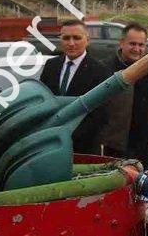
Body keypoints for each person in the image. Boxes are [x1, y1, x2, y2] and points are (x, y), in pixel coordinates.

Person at [39, 19, 112, 155]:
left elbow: (101, 114)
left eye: (77, 38)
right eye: (66, 38)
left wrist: (68, 134)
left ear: (87, 40)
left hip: (84, 147)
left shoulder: (100, 71)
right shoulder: (51, 66)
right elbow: (44, 102)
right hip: (51, 145)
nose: (71, 43)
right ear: (60, 39)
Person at [108, 22, 148, 170]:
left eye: (141, 45)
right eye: (132, 44)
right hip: (118, 144)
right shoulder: (106, 69)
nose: (137, 49)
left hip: (145, 142)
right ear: (121, 43)